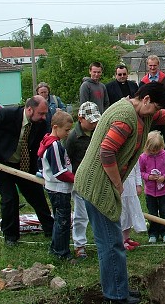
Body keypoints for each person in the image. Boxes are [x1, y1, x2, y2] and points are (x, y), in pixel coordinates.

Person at [73, 82, 165, 304]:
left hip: (103, 183)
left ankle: (119, 290)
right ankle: (116, 296)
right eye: (156, 107)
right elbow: (107, 152)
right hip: (97, 186)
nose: (157, 113)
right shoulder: (125, 118)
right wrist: (118, 183)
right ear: (146, 99)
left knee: (113, 243)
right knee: (111, 244)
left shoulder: (142, 112)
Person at [0, 95, 54, 246]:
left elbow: (47, 142)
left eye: (45, 113)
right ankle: (11, 237)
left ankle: (51, 230)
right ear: (29, 109)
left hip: (23, 164)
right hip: (0, 162)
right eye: (41, 113)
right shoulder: (6, 115)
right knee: (10, 198)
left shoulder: (41, 123)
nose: (44, 116)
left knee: (36, 195)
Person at [65, 101, 101, 260]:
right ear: (80, 118)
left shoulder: (98, 132)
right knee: (81, 214)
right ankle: (79, 245)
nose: (94, 123)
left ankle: (102, 241)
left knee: (100, 211)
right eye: (91, 120)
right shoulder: (73, 137)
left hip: (96, 178)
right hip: (79, 180)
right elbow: (67, 159)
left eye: (96, 120)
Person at [37, 110, 74, 260]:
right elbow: (59, 172)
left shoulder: (50, 142)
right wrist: (75, 178)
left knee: (59, 220)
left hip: (55, 188)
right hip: (59, 189)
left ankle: (55, 247)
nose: (68, 133)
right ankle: (61, 252)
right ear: (55, 127)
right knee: (63, 222)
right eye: (66, 130)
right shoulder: (54, 146)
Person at [139, 55, 165, 165]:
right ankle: (151, 163)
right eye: (150, 65)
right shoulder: (143, 81)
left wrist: (163, 105)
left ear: (158, 65)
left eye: (154, 65)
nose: (152, 68)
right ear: (147, 66)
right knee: (151, 139)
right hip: (151, 116)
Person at [139, 131, 165, 244]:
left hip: (164, 191)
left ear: (161, 146)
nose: (154, 152)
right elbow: (140, 172)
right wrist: (148, 177)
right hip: (149, 192)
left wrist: (164, 177)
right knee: (152, 213)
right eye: (152, 150)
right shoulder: (143, 157)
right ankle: (153, 233)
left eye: (157, 149)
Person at [120, 163, 145, 251]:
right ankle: (121, 240)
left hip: (131, 186)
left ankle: (127, 237)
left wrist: (138, 184)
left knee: (130, 214)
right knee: (122, 215)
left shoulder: (135, 153)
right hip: (121, 187)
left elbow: (137, 170)